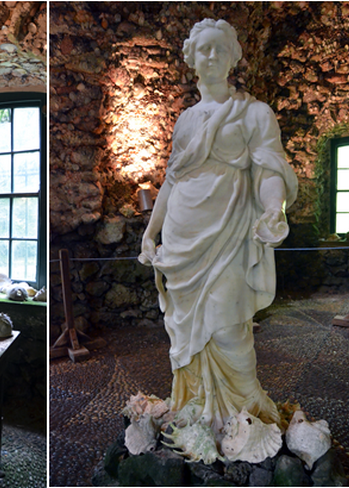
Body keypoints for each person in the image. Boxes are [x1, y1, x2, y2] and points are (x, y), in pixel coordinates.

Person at [139, 19, 298, 434]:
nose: (211, 57)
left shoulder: (254, 113)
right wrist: (151, 231)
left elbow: (269, 170)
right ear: (192, 59)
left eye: (219, 49)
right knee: (185, 336)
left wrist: (272, 208)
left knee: (229, 327)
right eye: (204, 50)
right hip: (182, 235)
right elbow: (172, 181)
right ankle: (197, 410)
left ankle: (247, 411)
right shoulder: (185, 121)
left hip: (228, 233)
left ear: (232, 57)